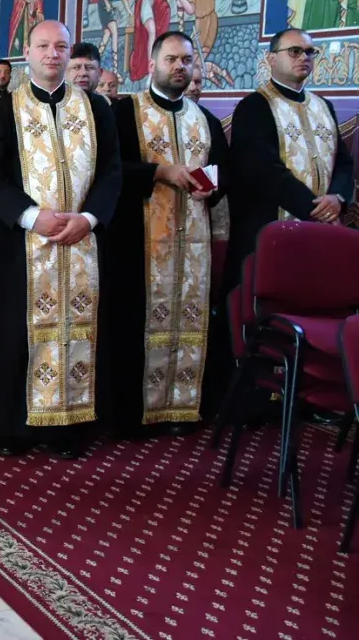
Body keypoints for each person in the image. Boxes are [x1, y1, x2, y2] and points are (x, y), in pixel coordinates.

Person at [0, 20, 122, 459]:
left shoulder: (95, 109)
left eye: (60, 46)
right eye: (43, 46)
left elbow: (111, 172)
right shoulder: (5, 109)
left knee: (80, 331)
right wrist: (30, 216)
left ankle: (70, 426)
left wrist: (90, 219)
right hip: (21, 246)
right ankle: (12, 428)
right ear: (28, 52)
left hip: (82, 243)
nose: (52, 54)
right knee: (14, 332)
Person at [106, 31, 228, 439]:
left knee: (189, 316)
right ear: (152, 64)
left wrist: (212, 189)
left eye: (187, 60)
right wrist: (159, 172)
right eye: (172, 59)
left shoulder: (206, 121)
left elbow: (223, 172)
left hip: (193, 242)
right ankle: (134, 413)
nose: (180, 67)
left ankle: (182, 406)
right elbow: (110, 171)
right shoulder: (125, 113)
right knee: (134, 324)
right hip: (137, 244)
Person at [223, 28, 355, 296]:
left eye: (309, 52)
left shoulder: (323, 106)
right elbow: (263, 171)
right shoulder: (254, 106)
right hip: (268, 224)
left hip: (320, 226)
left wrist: (338, 198)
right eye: (294, 51)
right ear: (272, 59)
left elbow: (343, 161)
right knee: (268, 303)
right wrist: (317, 210)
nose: (303, 57)